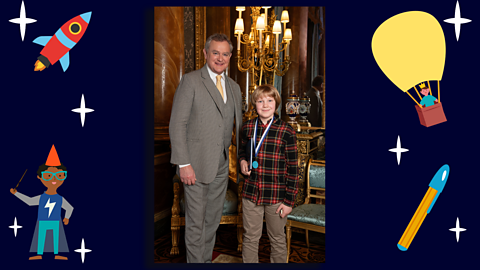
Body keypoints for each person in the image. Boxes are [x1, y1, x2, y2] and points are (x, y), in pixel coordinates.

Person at [169, 33, 243, 263]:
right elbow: (177, 124)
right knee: (195, 224)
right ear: (205, 54)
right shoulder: (190, 81)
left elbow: (238, 128)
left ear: (230, 56)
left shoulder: (234, 87)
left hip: (221, 166)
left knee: (212, 221)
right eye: (215, 53)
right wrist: (184, 164)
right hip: (195, 166)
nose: (220, 58)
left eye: (225, 54)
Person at [239, 84, 299, 263]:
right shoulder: (248, 128)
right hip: (251, 193)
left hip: (276, 196)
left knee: (277, 239)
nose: (265, 105)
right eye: (260, 101)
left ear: (277, 103)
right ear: (254, 104)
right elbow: (243, 152)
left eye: (269, 101)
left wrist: (289, 202)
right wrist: (242, 161)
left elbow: (294, 170)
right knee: (250, 238)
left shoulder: (286, 131)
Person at [10, 145, 73, 260]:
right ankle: (39, 253)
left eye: (59, 176)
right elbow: (29, 202)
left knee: (56, 237)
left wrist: (67, 217)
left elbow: (70, 208)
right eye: (48, 176)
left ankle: (56, 254)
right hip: (43, 220)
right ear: (40, 177)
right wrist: (16, 194)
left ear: (63, 178)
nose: (54, 179)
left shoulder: (60, 198)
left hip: (55, 221)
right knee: (41, 237)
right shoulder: (42, 197)